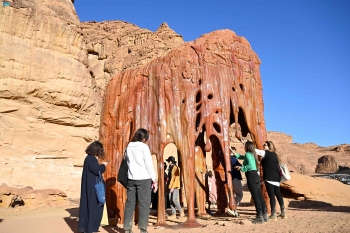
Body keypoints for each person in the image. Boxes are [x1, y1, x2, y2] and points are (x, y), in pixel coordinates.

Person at [123, 128, 157, 233]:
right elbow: (148, 165)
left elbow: (126, 162)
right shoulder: (144, 147)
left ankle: (127, 229)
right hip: (144, 178)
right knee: (144, 204)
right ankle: (143, 229)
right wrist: (154, 179)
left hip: (131, 178)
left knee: (130, 204)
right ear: (143, 138)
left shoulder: (128, 146)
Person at [234, 141, 268, 224]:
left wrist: (241, 168)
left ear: (247, 146)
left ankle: (259, 216)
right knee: (259, 195)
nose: (244, 147)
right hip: (255, 176)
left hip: (251, 176)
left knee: (255, 196)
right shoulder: (252, 154)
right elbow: (242, 157)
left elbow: (249, 166)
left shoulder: (248, 154)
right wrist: (234, 152)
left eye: (245, 146)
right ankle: (264, 215)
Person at [78, 141, 109, 233]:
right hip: (92, 188)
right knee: (93, 207)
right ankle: (91, 228)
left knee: (87, 207)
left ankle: (86, 228)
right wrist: (104, 165)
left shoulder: (88, 158)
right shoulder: (91, 159)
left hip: (89, 186)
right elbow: (97, 171)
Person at [255, 141, 286, 219]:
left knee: (271, 196)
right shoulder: (276, 155)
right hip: (277, 178)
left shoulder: (265, 153)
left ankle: (273, 214)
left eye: (265, 145)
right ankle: (283, 212)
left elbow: (255, 150)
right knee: (278, 194)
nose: (263, 146)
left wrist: (245, 143)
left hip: (269, 178)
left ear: (269, 146)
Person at [229, 146, 243, 216]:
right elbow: (240, 166)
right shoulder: (233, 158)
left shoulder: (227, 158)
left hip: (230, 178)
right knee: (239, 194)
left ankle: (234, 211)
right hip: (235, 177)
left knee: (232, 195)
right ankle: (232, 208)